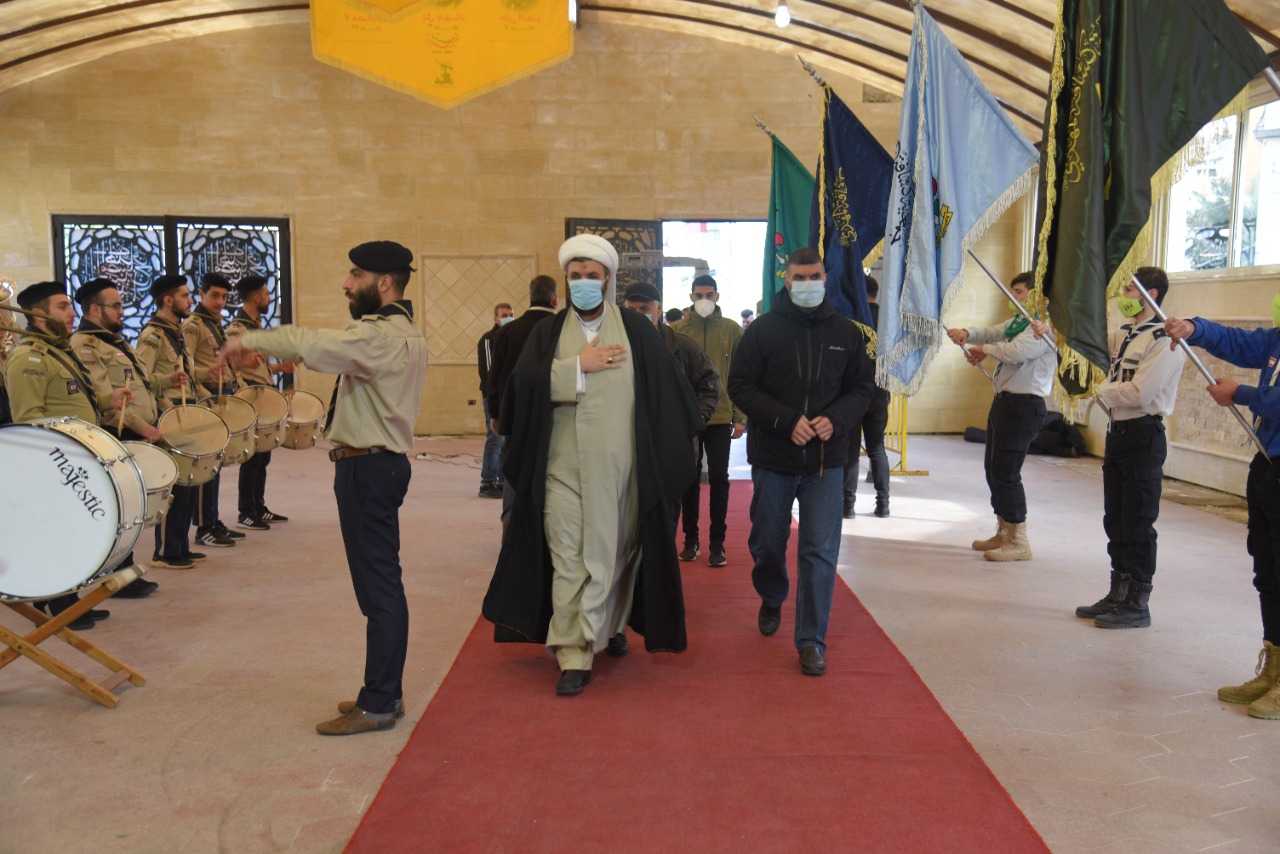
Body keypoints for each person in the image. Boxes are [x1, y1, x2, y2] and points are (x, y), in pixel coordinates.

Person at [218, 240, 427, 736]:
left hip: (368, 469)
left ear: (384, 282)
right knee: (379, 584)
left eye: (355, 275)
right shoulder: (401, 332)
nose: (346, 284)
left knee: (378, 588)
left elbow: (314, 343)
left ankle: (379, 702)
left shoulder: (378, 337)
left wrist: (252, 339)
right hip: (378, 465)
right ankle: (385, 691)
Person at [481, 234, 700, 697]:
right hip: (559, 469)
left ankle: (607, 626)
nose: (584, 282)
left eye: (592, 275)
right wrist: (576, 367)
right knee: (568, 559)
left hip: (620, 472)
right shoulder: (547, 334)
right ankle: (574, 652)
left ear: (608, 279)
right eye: (576, 275)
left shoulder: (637, 332)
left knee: (607, 559)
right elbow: (520, 388)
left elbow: (670, 393)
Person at [727, 247, 875, 677]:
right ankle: (772, 594)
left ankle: (811, 640)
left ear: (825, 279)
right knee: (768, 542)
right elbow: (740, 385)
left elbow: (862, 389)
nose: (807, 284)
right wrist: (784, 420)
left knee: (819, 551)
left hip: (826, 463)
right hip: (774, 458)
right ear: (787, 281)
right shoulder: (762, 331)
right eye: (799, 278)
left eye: (814, 277)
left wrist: (837, 419)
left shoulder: (847, 333)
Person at [1165, 304, 1280, 719]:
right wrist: (1195, 328)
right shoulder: (1276, 340)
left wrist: (1242, 394)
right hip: (1268, 465)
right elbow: (1238, 342)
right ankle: (1273, 669)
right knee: (1268, 572)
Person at [5, 280, 121, 629]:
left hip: (77, 455)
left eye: (69, 305)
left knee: (74, 534)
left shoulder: (57, 350)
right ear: (38, 315)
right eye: (62, 306)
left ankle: (67, 600)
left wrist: (108, 400)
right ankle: (57, 603)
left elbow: (68, 399)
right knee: (56, 534)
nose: (72, 313)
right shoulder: (28, 358)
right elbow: (28, 419)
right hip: (55, 461)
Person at [1075, 267, 1185, 629]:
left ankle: (1138, 602)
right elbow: (1091, 349)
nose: (1123, 295)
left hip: (1143, 434)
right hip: (1119, 432)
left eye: (1129, 289)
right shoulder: (1128, 334)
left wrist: (1099, 391)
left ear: (1150, 293)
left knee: (1138, 520)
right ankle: (1117, 592)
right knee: (1116, 518)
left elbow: (1142, 392)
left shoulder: (1164, 339)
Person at [946, 271, 1055, 560]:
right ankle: (1004, 530)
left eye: (1018, 292)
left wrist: (984, 350)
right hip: (1005, 401)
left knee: (1007, 471)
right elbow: (994, 332)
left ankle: (1019, 540)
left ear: (1035, 294)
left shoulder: (1042, 327)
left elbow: (1018, 351)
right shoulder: (1019, 321)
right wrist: (968, 333)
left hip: (1025, 405)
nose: (1013, 297)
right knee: (992, 468)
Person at [71, 277, 165, 599]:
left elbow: (141, 385)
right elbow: (105, 399)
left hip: (136, 429)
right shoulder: (85, 344)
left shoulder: (114, 341)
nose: (121, 311)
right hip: (118, 431)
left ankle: (124, 572)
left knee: (129, 506)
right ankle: (116, 577)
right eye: (115, 305)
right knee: (118, 507)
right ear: (93, 309)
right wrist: (144, 428)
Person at [673, 274, 745, 567]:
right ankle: (690, 540)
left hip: (721, 417)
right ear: (691, 297)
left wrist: (740, 416)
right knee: (688, 480)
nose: (704, 299)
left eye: (709, 294)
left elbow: (740, 376)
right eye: (699, 295)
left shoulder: (731, 330)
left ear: (717, 296)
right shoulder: (677, 331)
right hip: (687, 418)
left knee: (719, 479)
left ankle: (718, 544)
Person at [136, 274, 203, 568]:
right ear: (167, 300)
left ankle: (180, 545)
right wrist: (168, 379)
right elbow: (141, 378)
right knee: (175, 483)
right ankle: (165, 551)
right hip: (169, 412)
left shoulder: (175, 332)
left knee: (188, 481)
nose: (190, 301)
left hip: (185, 410)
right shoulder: (153, 335)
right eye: (184, 296)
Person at [488, 275, 559, 520]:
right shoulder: (560, 329)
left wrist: (496, 412)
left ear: (530, 296)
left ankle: (511, 522)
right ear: (554, 299)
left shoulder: (508, 331)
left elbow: (495, 377)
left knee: (514, 465)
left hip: (515, 413)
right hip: (553, 413)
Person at [225, 274, 291, 529]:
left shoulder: (255, 326)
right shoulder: (238, 328)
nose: (268, 298)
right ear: (254, 297)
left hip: (263, 396)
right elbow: (232, 364)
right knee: (251, 456)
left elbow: (257, 367)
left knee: (263, 455)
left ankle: (258, 506)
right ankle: (246, 511)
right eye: (265, 293)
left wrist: (278, 368)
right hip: (249, 398)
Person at [182, 273, 240, 549]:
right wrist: (204, 394)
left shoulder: (214, 323)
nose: (220, 302)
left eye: (224, 297)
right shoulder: (193, 325)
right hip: (206, 398)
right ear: (202, 294)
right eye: (215, 295)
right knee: (207, 465)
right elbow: (187, 365)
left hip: (221, 396)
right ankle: (204, 527)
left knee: (217, 463)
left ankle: (213, 520)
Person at [622, 281, 719, 427]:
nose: (637, 315)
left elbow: (709, 384)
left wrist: (694, 419)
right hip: (628, 430)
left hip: (672, 430)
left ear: (659, 310)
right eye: (631, 309)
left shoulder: (681, 346)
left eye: (644, 308)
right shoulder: (615, 346)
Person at [844, 276, 891, 519]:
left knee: (851, 450)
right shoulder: (888, 319)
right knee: (877, 448)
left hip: (854, 393)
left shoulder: (850, 320)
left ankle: (848, 506)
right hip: (880, 391)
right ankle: (883, 504)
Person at [476, 302, 514, 498]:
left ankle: (501, 480)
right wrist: (496, 397)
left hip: (510, 395)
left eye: (511, 314)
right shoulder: (488, 339)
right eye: (504, 315)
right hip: (494, 396)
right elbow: (489, 373)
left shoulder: (514, 337)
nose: (508, 318)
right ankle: (488, 481)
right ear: (496, 318)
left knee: (506, 438)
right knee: (495, 437)